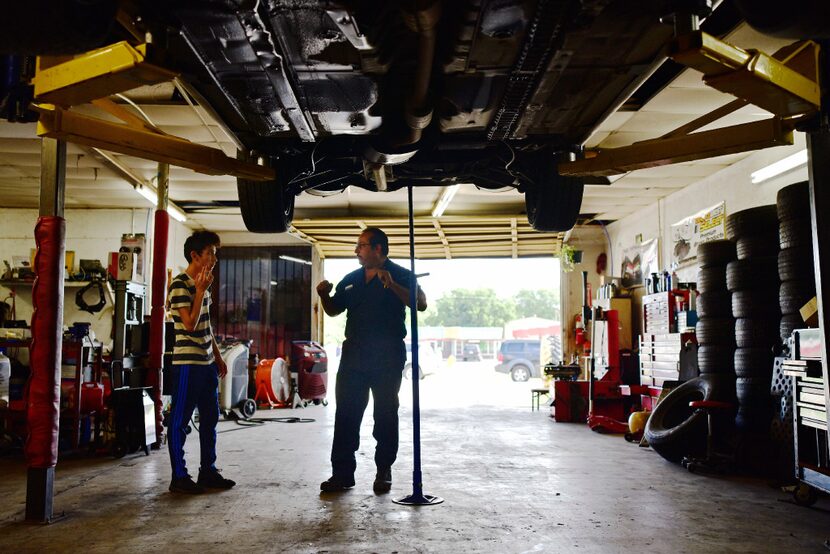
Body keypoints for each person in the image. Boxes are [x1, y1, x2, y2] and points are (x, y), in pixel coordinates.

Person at [316, 227, 427, 493]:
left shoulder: (400, 274)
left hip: (387, 355)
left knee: (385, 413)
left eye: (362, 246)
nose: (357, 250)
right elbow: (334, 309)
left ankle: (383, 471)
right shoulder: (352, 278)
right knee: (346, 414)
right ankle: (342, 474)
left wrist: (393, 285)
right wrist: (323, 295)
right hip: (354, 354)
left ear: (378, 248)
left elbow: (420, 303)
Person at [166, 230, 235, 494]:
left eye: (215, 252)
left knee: (210, 418)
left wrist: (217, 357)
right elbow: (190, 324)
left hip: (205, 364)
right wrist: (200, 291)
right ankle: (179, 477)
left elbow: (206, 327)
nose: (215, 258)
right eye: (211, 253)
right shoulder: (181, 285)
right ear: (195, 255)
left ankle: (208, 471)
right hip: (187, 364)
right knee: (180, 420)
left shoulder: (203, 285)